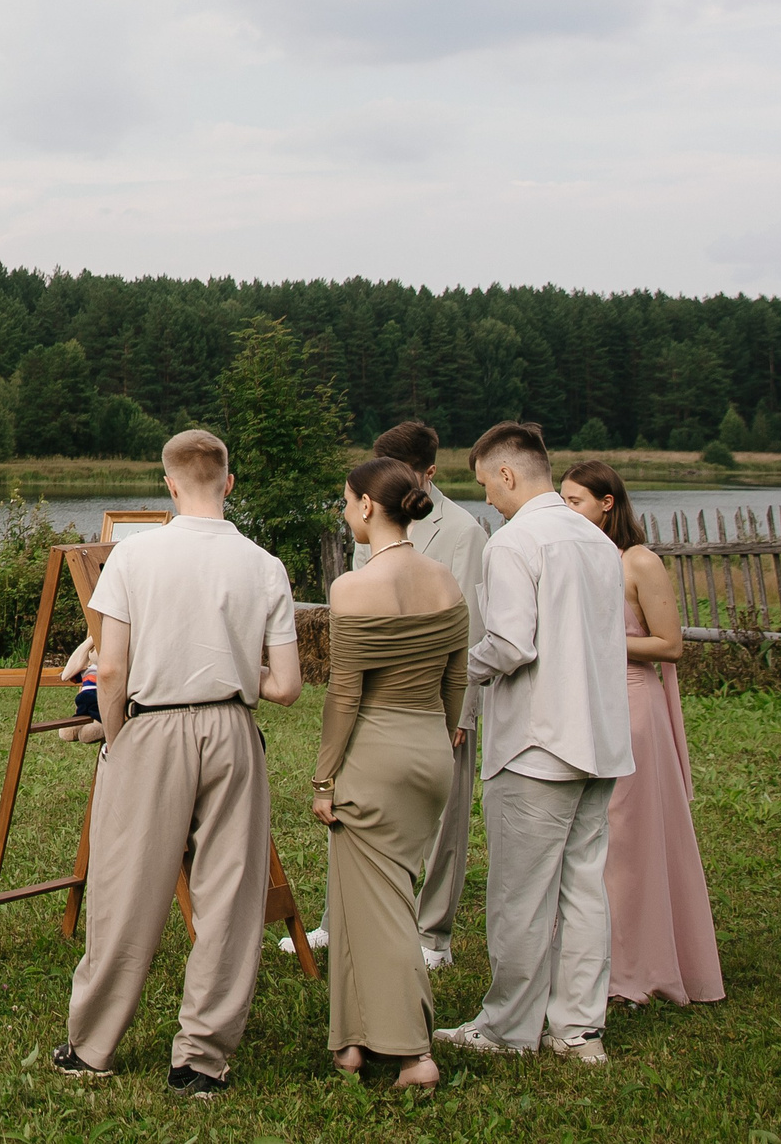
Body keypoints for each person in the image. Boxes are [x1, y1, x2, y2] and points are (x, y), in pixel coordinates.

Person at [54, 429, 303, 1098]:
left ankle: (92, 1044)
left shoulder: (135, 558)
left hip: (153, 723)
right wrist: (225, 661)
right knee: (230, 894)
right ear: (228, 481)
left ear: (169, 484)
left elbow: (111, 667)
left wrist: (113, 736)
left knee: (124, 887)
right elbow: (285, 686)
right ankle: (201, 1058)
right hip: (232, 723)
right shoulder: (264, 564)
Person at [435, 421, 633, 1065]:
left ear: (509, 474)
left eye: (488, 484)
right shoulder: (598, 540)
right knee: (584, 885)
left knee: (520, 895)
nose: (488, 499)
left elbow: (513, 643)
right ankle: (579, 1028)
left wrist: (453, 666)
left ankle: (508, 1027)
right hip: (600, 736)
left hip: (538, 742)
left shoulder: (515, 541)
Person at [288, 418, 493, 968]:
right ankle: (340, 917)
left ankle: (433, 934)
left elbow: (468, 630)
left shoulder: (465, 532)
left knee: (444, 820)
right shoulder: (369, 522)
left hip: (437, 698)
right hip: (376, 695)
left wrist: (460, 715)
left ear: (427, 475)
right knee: (355, 812)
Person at [314, 457, 468, 1090]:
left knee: (387, 909)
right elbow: (456, 679)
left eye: (347, 501)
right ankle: (350, 1042)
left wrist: (324, 779)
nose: (345, 511)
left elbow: (344, 695)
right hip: (431, 748)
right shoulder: (446, 582)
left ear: (369, 508)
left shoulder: (354, 588)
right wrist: (443, 735)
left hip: (374, 754)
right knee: (356, 897)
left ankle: (413, 1053)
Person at [559, 461, 724, 1009]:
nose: (567, 512)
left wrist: (598, 638)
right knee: (594, 843)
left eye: (576, 501)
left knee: (629, 840)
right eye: (562, 502)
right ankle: (595, 960)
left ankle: (636, 969)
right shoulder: (578, 557)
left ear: (607, 503)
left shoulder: (639, 561)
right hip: (587, 705)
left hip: (632, 704)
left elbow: (670, 645)